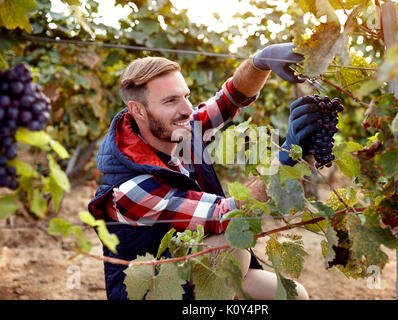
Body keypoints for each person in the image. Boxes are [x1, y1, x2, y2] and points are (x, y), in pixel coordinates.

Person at [88, 43, 320, 300]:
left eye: (185, 96)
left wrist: (260, 62)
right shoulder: (133, 189)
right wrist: (284, 159)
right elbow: (229, 214)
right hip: (154, 290)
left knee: (294, 295)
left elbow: (230, 98)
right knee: (230, 247)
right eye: (171, 100)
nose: (187, 109)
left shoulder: (178, 129)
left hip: (188, 266)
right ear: (138, 110)